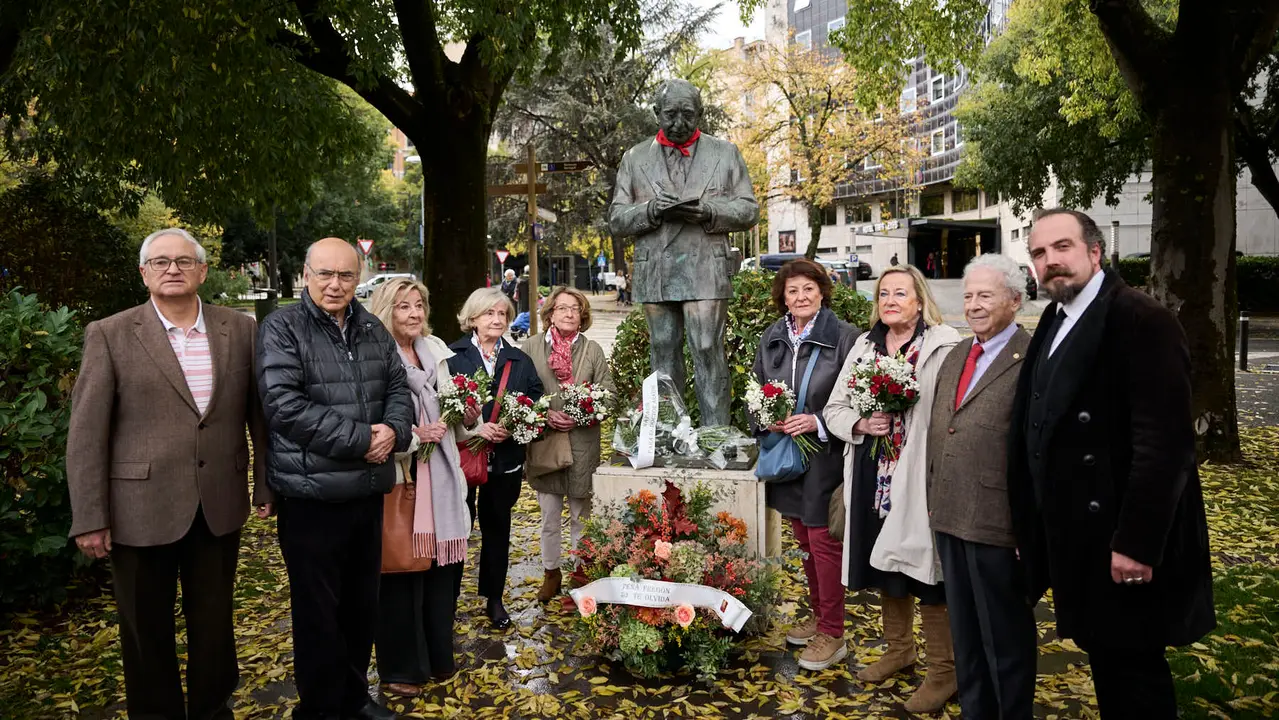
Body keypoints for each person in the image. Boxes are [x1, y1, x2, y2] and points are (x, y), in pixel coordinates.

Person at [1009, 209, 1214, 718]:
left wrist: (1136, 544)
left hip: (1121, 542)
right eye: (1039, 253)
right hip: (1077, 537)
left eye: (1062, 248)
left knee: (1134, 673)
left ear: (1095, 252)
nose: (1050, 261)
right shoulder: (1054, 320)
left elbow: (1165, 445)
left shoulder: (1141, 318)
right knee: (1107, 660)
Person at [66, 228, 270, 720]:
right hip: (138, 509)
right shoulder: (110, 334)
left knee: (215, 622)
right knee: (144, 626)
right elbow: (87, 433)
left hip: (218, 504)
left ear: (203, 271)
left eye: (183, 261)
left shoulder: (239, 330)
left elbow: (260, 417)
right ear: (143, 273)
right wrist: (90, 516)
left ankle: (212, 708)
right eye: (160, 262)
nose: (172, 269)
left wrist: (265, 483)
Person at [256, 237, 414, 720]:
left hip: (366, 492)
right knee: (317, 612)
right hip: (311, 496)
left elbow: (397, 387)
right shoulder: (282, 327)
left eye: (346, 275)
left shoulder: (371, 327)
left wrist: (395, 429)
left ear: (358, 277)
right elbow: (283, 405)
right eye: (325, 274)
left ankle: (352, 696)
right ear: (306, 275)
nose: (335, 284)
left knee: (359, 606)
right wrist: (362, 440)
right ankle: (322, 707)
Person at [824, 264, 961, 713]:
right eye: (883, 293)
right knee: (886, 565)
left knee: (928, 570)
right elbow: (835, 408)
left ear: (920, 300)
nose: (890, 301)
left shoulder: (943, 346)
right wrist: (861, 423)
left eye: (900, 293)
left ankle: (943, 671)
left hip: (921, 475)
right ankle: (900, 650)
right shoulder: (865, 346)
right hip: (871, 473)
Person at [608, 78, 760, 426]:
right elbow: (617, 218)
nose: (679, 123)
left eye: (688, 115)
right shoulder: (634, 158)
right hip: (656, 266)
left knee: (707, 346)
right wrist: (650, 211)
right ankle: (669, 432)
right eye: (670, 114)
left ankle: (715, 431)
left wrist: (709, 210)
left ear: (701, 114)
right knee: (662, 348)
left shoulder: (725, 153)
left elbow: (749, 209)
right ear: (656, 113)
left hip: (705, 263)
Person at [926, 254, 1036, 719]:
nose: (972, 305)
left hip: (997, 523)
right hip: (950, 513)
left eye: (984, 295)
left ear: (1015, 300)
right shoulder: (956, 354)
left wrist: (1026, 530)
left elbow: (1034, 449)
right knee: (966, 634)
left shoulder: (1031, 359)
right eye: (968, 295)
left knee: (1004, 638)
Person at [366, 278, 475, 698]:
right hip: (400, 481)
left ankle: (437, 656)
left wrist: (469, 416)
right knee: (399, 573)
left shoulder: (436, 354)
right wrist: (413, 435)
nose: (413, 314)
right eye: (403, 306)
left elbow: (455, 423)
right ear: (385, 310)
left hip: (443, 482)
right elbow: (374, 422)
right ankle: (402, 669)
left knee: (439, 575)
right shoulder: (376, 357)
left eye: (419, 306)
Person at [753, 259, 859, 671]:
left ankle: (833, 632)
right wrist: (764, 416)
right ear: (783, 297)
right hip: (785, 452)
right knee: (802, 538)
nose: (800, 297)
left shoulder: (845, 338)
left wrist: (817, 421)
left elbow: (852, 398)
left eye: (808, 289)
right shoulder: (773, 337)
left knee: (823, 541)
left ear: (822, 293)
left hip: (824, 454)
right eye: (792, 290)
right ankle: (818, 615)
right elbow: (757, 388)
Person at [448, 287, 545, 629]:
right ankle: (447, 597)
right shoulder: (451, 356)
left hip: (504, 460)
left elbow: (537, 403)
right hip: (461, 460)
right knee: (457, 529)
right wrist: (474, 426)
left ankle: (494, 598)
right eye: (489, 313)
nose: (497, 320)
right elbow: (439, 405)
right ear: (472, 318)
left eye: (502, 314)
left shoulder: (519, 360)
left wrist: (514, 426)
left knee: (497, 529)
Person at [522, 287, 614, 605]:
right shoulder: (531, 347)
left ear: (583, 315)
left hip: (582, 445)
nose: (569, 314)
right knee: (548, 517)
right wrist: (542, 414)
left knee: (581, 515)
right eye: (562, 308)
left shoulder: (592, 350)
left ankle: (581, 575)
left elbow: (609, 394)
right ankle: (551, 574)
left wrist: (581, 414)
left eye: (575, 309)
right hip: (545, 445)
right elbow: (518, 395)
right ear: (550, 313)